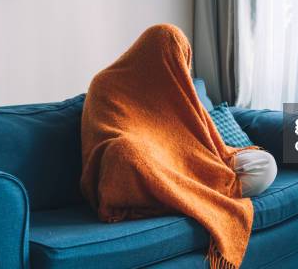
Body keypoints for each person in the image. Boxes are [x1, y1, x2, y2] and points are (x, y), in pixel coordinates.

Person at [80, 24, 276, 269]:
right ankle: (200, 191)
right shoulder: (105, 84)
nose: (182, 66)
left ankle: (194, 191)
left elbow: (202, 135)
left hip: (190, 165)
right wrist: (159, 153)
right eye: (177, 57)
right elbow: (106, 139)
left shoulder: (176, 87)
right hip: (152, 166)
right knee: (126, 153)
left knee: (266, 164)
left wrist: (196, 158)